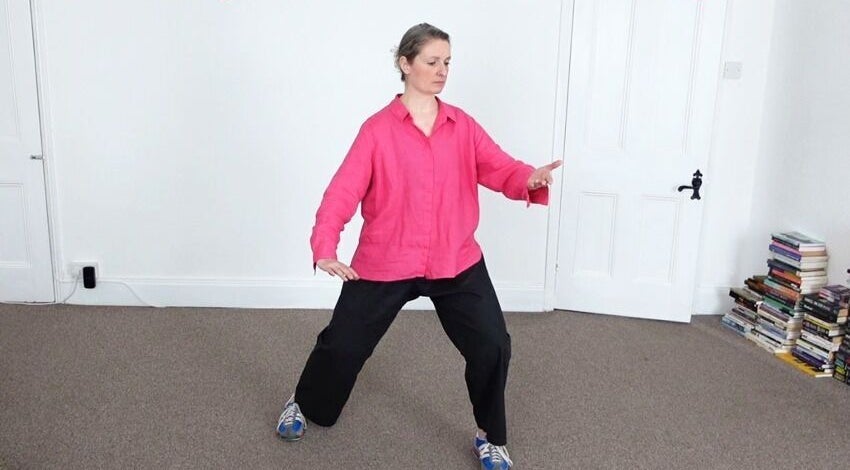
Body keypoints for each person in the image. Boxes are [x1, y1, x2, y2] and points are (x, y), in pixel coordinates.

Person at [276, 23, 562, 470]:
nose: (442, 70)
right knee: (343, 346)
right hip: (387, 259)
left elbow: (500, 167)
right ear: (405, 64)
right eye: (432, 61)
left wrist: (529, 177)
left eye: (447, 62)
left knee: (493, 345)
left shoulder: (462, 126)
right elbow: (341, 193)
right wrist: (325, 246)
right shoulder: (376, 131)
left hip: (455, 259)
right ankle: (304, 403)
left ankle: (490, 437)